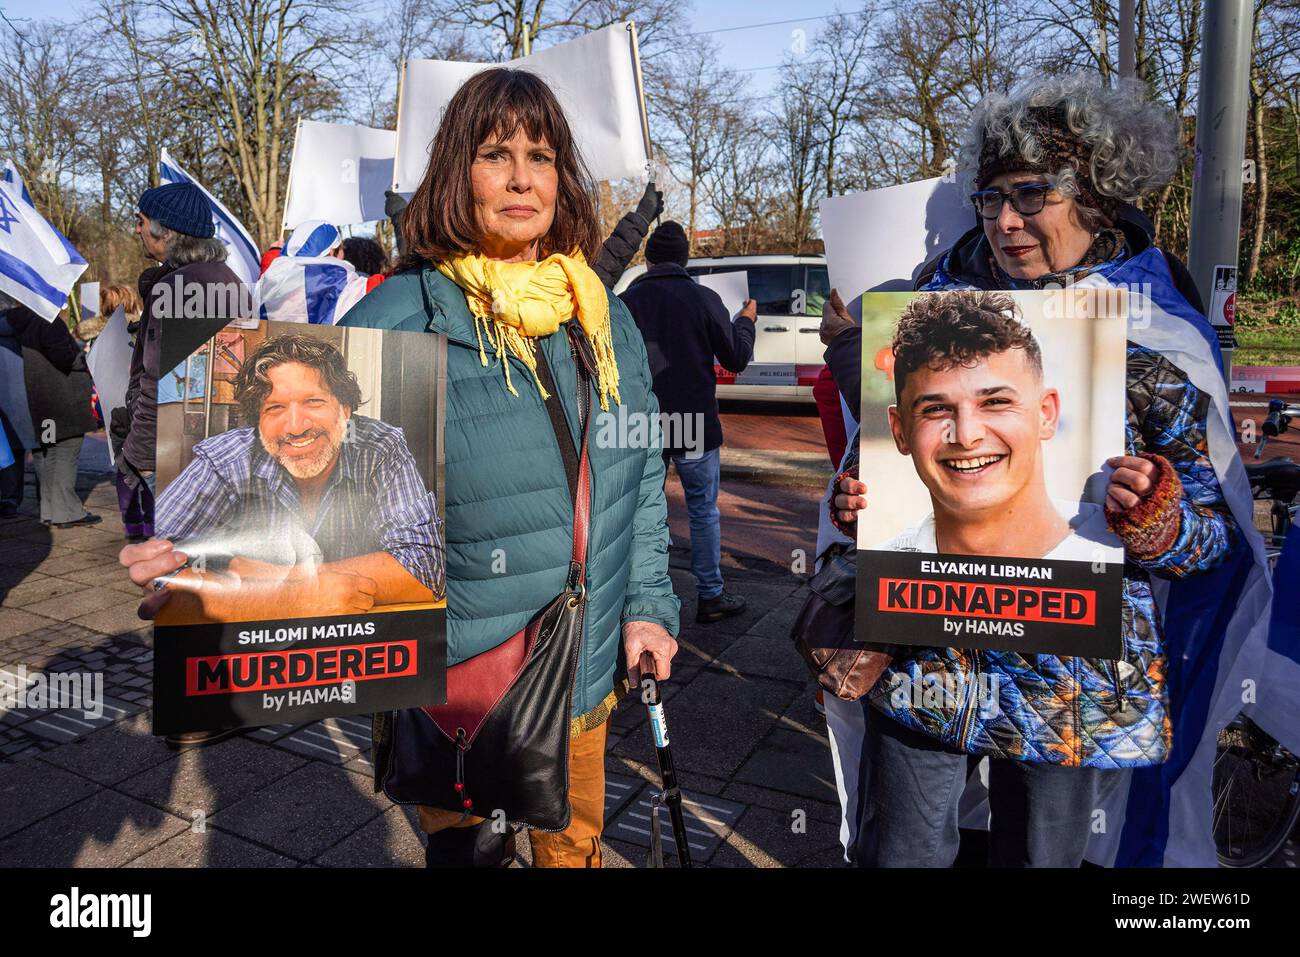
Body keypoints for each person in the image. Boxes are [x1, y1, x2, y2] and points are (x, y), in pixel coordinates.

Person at [821, 73, 1243, 867]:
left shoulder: (1156, 329)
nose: (1006, 220)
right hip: (926, 657)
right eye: (990, 198)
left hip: (1070, 679)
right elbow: (876, 467)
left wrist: (1158, 519)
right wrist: (856, 502)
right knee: (901, 855)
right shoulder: (929, 305)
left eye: (1032, 194)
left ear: (1094, 193)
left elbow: (1213, 541)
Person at [339, 68, 680, 867]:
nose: (523, 176)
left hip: (586, 664)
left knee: (575, 853)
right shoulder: (400, 314)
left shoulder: (603, 314)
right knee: (466, 859)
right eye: (496, 154)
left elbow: (640, 482)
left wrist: (650, 605)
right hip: (458, 676)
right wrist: (202, 560)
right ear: (459, 172)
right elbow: (294, 477)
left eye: (542, 154)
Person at [121, 333, 442, 624]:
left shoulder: (379, 447)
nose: (295, 426)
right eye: (274, 408)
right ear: (257, 422)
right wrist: (287, 599)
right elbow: (158, 574)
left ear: (344, 409)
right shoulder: (226, 458)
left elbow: (427, 568)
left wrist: (274, 577)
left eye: (313, 402)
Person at [878, 291, 1116, 561]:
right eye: (936, 409)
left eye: (995, 402)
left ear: (1046, 414)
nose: (966, 437)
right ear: (900, 431)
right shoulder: (877, 569)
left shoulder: (1118, 558)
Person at [619, 220, 757, 622]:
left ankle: (637, 598)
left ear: (648, 260)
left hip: (641, 424)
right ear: (684, 258)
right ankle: (710, 594)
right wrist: (746, 321)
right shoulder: (704, 298)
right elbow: (736, 357)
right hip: (694, 420)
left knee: (641, 510)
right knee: (702, 510)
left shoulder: (627, 302)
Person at [123, 180, 246, 502]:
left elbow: (159, 379)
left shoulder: (181, 286)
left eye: (141, 221)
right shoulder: (224, 278)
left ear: (166, 232)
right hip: (209, 446)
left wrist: (141, 457)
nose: (137, 230)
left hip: (173, 453)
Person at [0, 300, 99, 527]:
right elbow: (64, 358)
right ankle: (68, 512)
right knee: (65, 453)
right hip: (62, 401)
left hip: (38, 401)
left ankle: (49, 510)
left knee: (48, 456)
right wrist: (85, 357)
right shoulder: (48, 322)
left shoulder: (20, 323)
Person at [254, 221, 369, 325]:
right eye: (342, 248)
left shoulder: (270, 280)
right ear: (331, 251)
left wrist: (273, 253)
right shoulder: (346, 283)